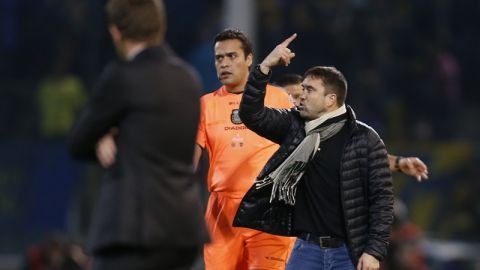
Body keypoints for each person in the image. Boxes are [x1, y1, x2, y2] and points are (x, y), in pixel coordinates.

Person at [67, 0, 209, 269]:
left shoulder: (123, 76)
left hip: (133, 233)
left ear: (115, 32)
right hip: (182, 232)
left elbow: (78, 142)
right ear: (161, 27)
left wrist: (103, 135)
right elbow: (154, 137)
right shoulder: (188, 79)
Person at [234, 34, 394, 270]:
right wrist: (264, 68)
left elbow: (382, 199)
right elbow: (251, 114)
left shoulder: (365, 139)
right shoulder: (294, 126)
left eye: (309, 90)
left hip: (348, 253)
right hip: (306, 250)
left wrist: (374, 251)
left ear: (331, 99)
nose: (302, 95)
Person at [193, 28, 296, 270]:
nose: (224, 64)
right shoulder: (205, 105)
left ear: (249, 59)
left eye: (232, 56)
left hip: (269, 210)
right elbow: (189, 159)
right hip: (222, 215)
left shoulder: (279, 99)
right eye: (219, 58)